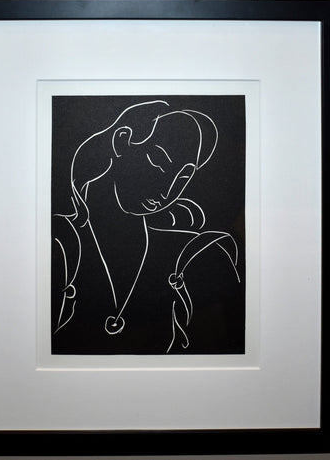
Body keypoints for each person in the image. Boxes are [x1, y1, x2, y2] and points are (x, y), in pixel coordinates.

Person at [52, 100, 241, 354]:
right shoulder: (57, 243)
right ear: (122, 141)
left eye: (184, 176)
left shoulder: (197, 256)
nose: (168, 190)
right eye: (159, 160)